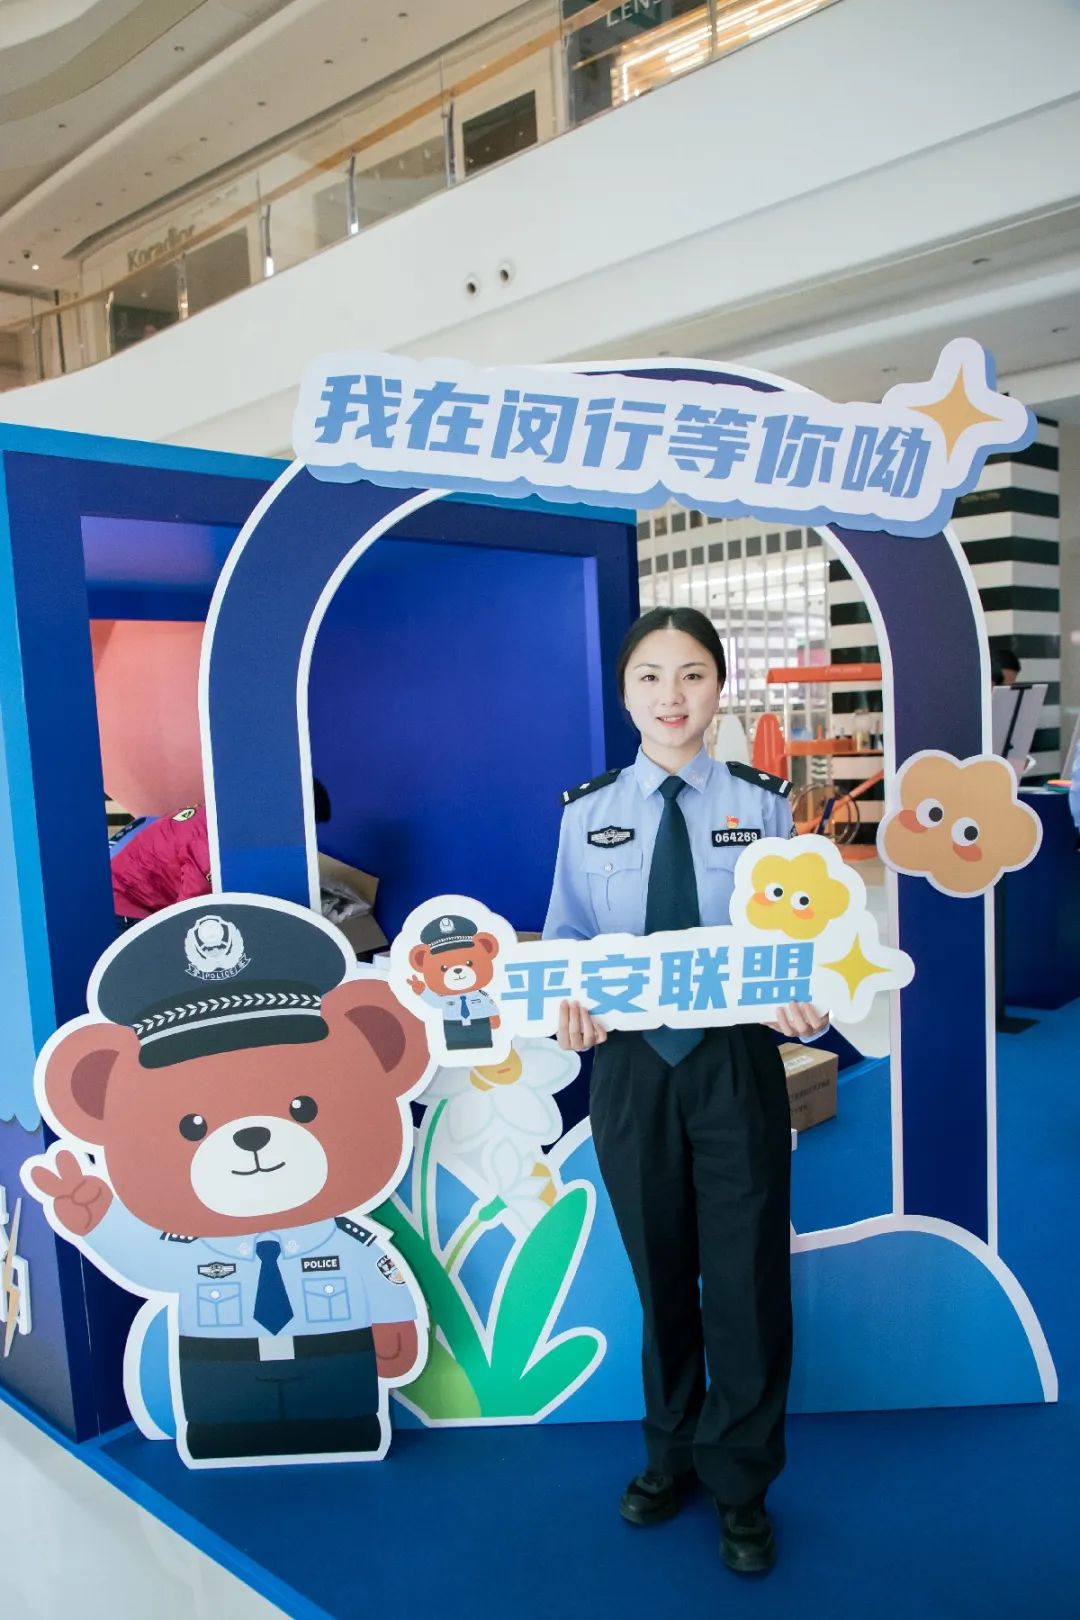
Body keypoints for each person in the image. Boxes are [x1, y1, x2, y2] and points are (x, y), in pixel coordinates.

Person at [544, 606, 828, 1577]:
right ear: (625, 693)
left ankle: (741, 1479)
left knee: (745, 1276)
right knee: (659, 1272)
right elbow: (566, 938)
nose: (673, 696)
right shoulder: (583, 812)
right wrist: (566, 1005)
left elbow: (800, 934)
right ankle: (670, 1453)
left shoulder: (764, 804)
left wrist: (804, 993)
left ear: (719, 688)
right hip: (631, 1071)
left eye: (693, 674)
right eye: (652, 677)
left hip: (734, 1063)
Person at [112, 779, 332, 923]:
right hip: (124, 905)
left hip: (136, 891)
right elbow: (186, 920)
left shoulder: (233, 817)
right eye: (303, 828)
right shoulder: (213, 848)